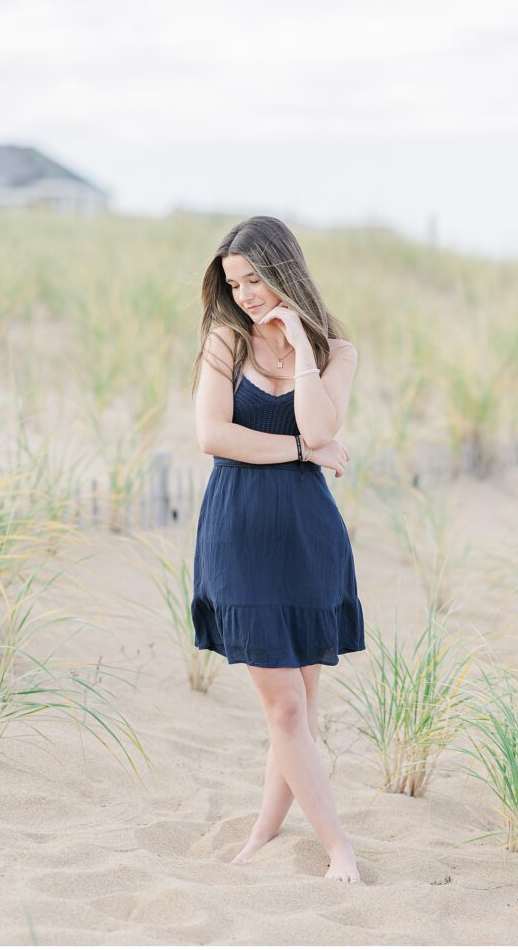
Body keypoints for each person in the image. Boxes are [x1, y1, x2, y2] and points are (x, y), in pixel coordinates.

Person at [189, 215, 366, 884]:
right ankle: (337, 847)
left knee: (298, 707)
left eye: (253, 280)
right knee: (285, 706)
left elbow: (323, 423)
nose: (244, 296)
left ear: (283, 271)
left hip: (307, 535)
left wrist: (296, 345)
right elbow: (214, 436)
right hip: (238, 532)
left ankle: (265, 830)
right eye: (234, 285)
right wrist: (298, 452)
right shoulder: (222, 341)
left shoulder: (333, 352)